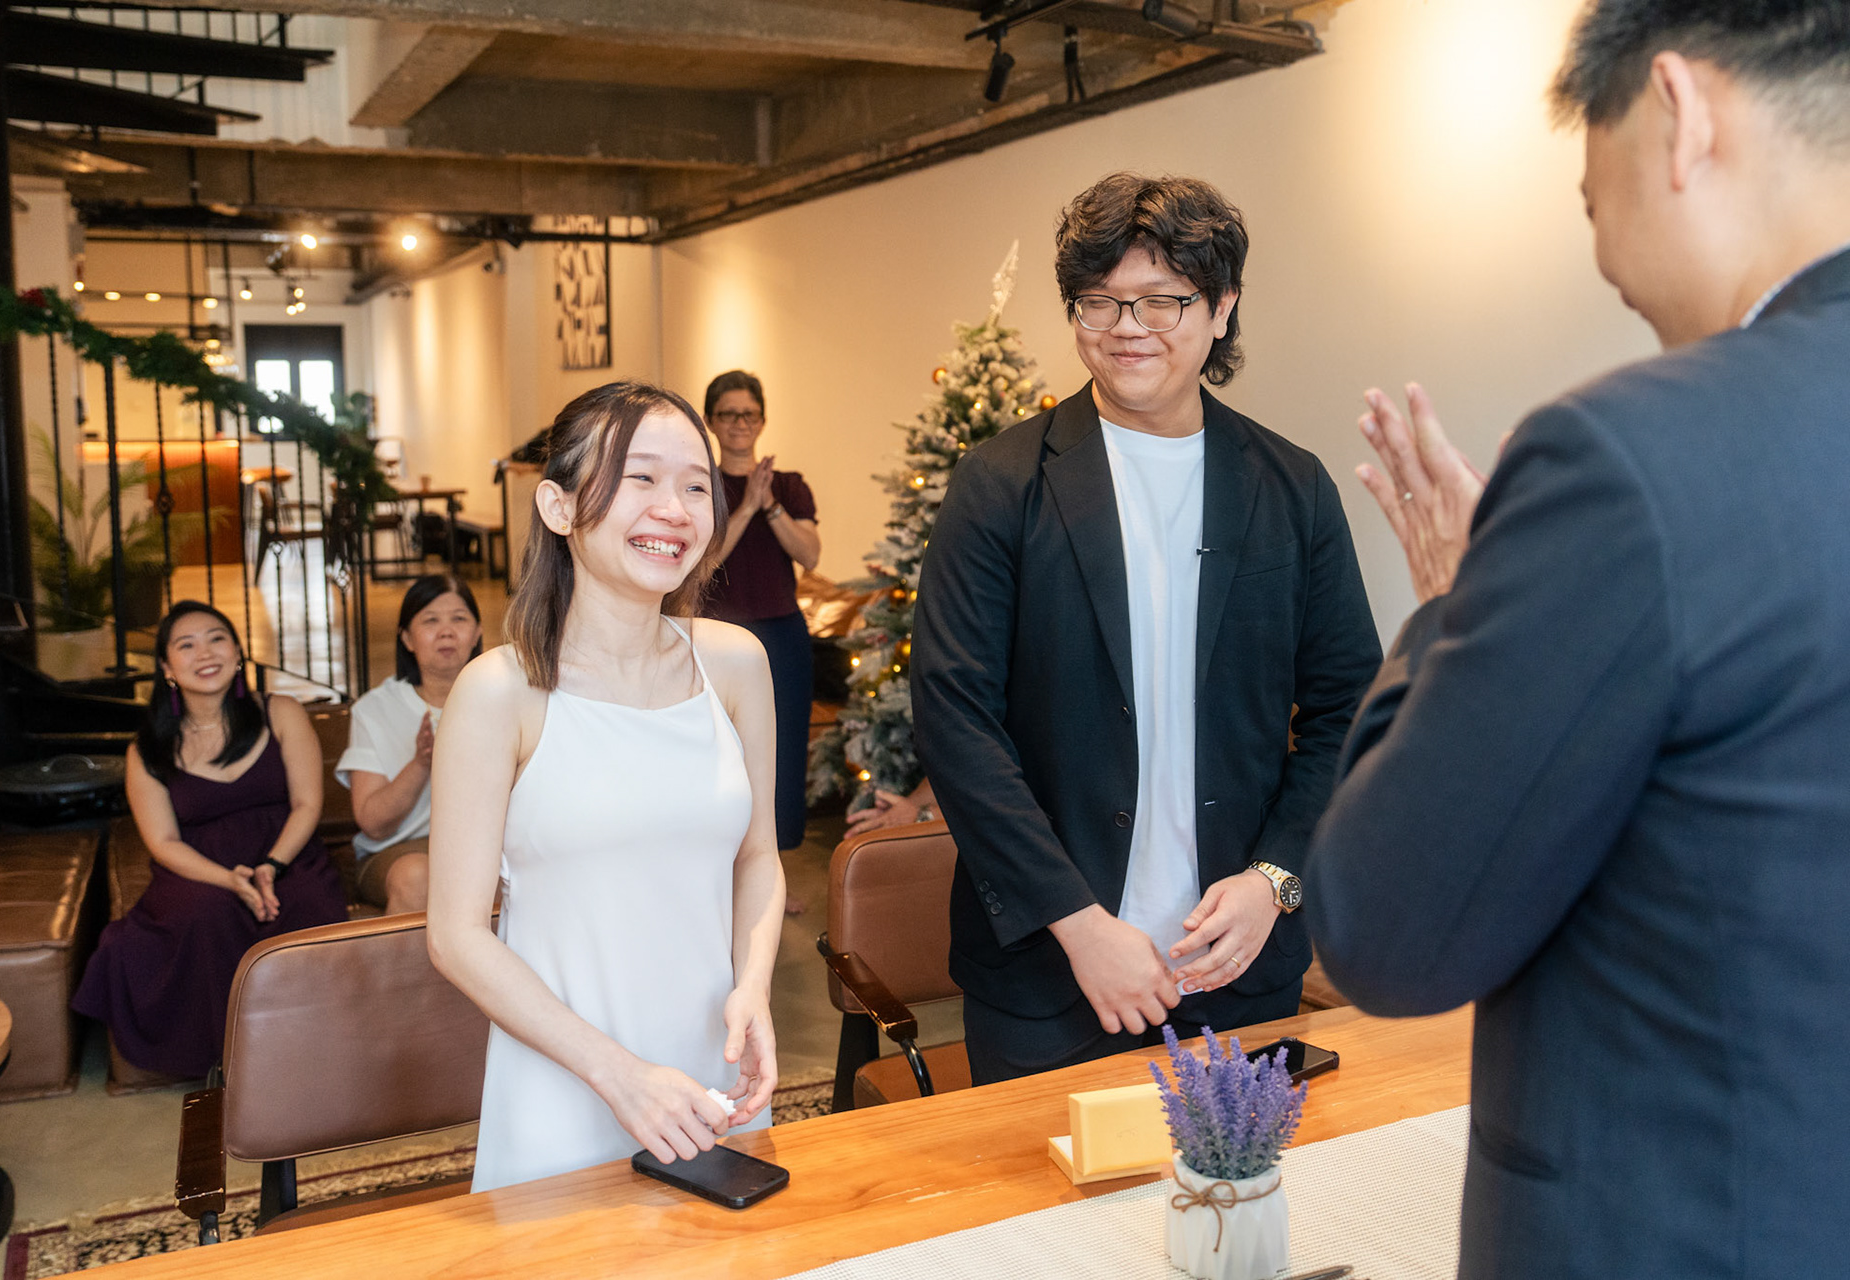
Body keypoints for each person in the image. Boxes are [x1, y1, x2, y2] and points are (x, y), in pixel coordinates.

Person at [1302, 3, 1850, 1275]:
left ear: (1681, 111)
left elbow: (1383, 927)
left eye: (1592, 195)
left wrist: (1453, 603)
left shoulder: (1630, 458)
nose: (1603, 245)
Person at [911, 173, 1383, 1085]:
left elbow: (1351, 710)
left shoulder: (1291, 487)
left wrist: (1276, 880)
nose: (1128, 327)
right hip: (1052, 977)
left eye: (1163, 300)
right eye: (1100, 301)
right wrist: (1078, 923)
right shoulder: (1001, 484)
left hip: (1236, 968)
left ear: (1222, 306)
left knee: (1233, 1180)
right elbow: (955, 720)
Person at [427, 382, 787, 1192]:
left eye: (695, 485)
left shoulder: (735, 663)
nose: (674, 509)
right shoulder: (499, 692)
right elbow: (455, 935)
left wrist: (754, 987)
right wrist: (618, 1074)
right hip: (566, 1077)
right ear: (558, 507)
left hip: (712, 1067)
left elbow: (758, 857)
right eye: (640, 478)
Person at [73, 601, 347, 1079]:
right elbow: (163, 841)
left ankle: (315, 1045)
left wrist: (271, 867)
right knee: (205, 913)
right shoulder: (148, 749)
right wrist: (229, 880)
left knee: (305, 901)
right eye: (187, 645)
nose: (205, 653)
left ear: (238, 651)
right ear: (166, 667)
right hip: (198, 868)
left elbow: (307, 804)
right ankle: (229, 1060)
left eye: (217, 638)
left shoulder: (280, 712)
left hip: (286, 853)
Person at [697, 371, 819, 903]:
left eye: (748, 414)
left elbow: (810, 554)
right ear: (711, 422)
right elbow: (701, 565)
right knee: (718, 754)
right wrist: (746, 506)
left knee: (779, 756)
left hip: (781, 638)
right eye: (728, 414)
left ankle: (769, 878)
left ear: (763, 420)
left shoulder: (787, 486)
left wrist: (769, 504)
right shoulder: (700, 486)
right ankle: (719, 878)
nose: (739, 423)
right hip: (715, 639)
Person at [335, 573, 483, 914]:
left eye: (459, 619)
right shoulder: (375, 709)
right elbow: (373, 823)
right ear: (407, 638)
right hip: (401, 850)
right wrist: (422, 763)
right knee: (417, 876)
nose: (446, 631)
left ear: (477, 632)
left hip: (485, 845)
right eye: (430, 621)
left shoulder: (502, 697)